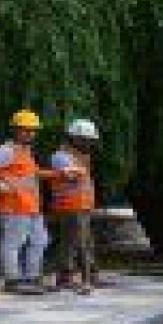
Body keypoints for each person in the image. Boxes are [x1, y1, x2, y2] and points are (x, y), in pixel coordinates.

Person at [0, 109, 58, 295]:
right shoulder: (6, 151)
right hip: (14, 206)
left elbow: (32, 175)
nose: (30, 133)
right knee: (13, 243)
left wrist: (60, 174)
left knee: (40, 241)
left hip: (31, 206)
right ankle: (12, 281)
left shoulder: (25, 152)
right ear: (16, 130)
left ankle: (32, 278)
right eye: (26, 130)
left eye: (33, 130)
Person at [50, 119, 100, 295]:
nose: (89, 143)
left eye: (90, 140)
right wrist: (76, 171)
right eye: (85, 139)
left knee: (86, 242)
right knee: (73, 243)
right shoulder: (61, 156)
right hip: (69, 206)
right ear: (74, 138)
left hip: (83, 206)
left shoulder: (81, 156)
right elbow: (71, 176)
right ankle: (67, 277)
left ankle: (89, 275)